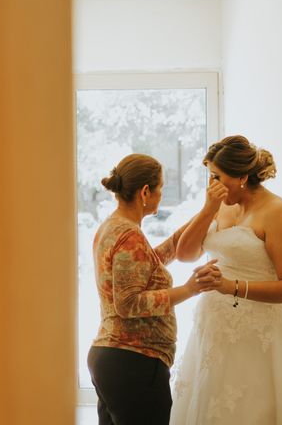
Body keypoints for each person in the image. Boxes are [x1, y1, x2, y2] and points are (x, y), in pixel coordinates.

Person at [170, 135, 282, 424]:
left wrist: (230, 286)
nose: (212, 185)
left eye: (217, 177)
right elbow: (185, 253)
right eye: (210, 176)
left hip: (263, 337)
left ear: (243, 177)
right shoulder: (220, 205)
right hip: (214, 331)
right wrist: (208, 208)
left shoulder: (279, 213)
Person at [87, 153, 219, 424]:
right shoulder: (129, 234)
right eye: (160, 189)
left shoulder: (113, 228)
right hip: (133, 362)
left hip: (114, 360)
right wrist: (190, 288)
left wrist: (207, 213)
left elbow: (149, 262)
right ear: (145, 192)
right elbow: (128, 303)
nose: (161, 195)